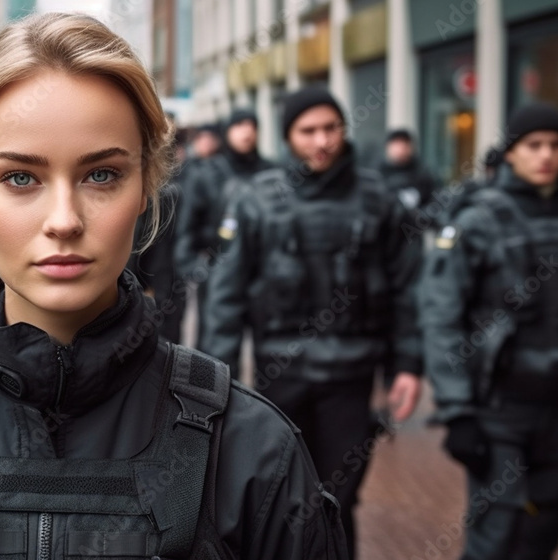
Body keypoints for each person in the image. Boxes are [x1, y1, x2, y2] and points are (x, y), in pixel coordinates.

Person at [0, 13, 347, 560]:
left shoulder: (253, 452)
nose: (64, 219)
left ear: (146, 186)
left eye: (101, 174)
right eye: (20, 177)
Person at [199, 87, 423, 558]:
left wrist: (407, 364)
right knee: (280, 499)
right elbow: (226, 296)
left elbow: (406, 288)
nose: (321, 141)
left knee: (340, 500)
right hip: (281, 377)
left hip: (351, 377)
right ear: (288, 136)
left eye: (331, 128)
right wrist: (211, 385)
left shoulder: (378, 198)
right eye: (308, 131)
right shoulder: (256, 199)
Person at [420, 102, 558, 560]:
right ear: (511, 153)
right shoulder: (478, 220)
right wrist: (458, 411)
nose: (547, 156)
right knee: (497, 531)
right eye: (534, 145)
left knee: (543, 531)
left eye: (556, 146)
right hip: (499, 407)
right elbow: (441, 315)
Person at [175, 110, 275, 280]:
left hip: (264, 272)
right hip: (218, 268)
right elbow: (188, 226)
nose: (246, 132)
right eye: (239, 125)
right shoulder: (208, 173)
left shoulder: (271, 172)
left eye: (252, 126)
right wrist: (195, 268)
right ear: (227, 131)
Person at [378, 128, 439, 212]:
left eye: (404, 145)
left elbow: (434, 200)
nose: (400, 150)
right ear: (388, 147)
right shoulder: (377, 173)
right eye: (397, 145)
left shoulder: (423, 173)